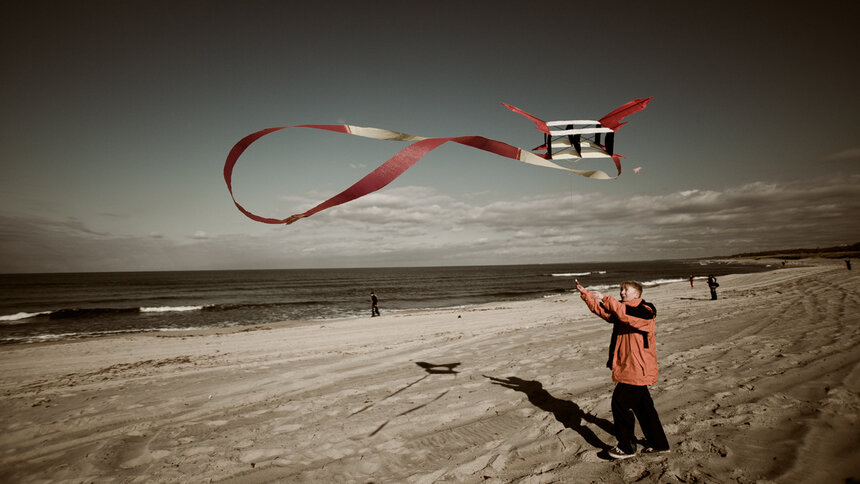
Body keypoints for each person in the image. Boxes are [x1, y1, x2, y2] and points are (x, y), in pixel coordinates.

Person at [575, 279, 669, 459]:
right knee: (644, 408)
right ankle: (659, 444)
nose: (622, 292)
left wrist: (605, 297)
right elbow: (605, 312)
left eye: (626, 290)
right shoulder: (622, 309)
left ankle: (626, 447)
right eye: (621, 290)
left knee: (620, 403)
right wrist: (586, 295)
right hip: (628, 367)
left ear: (637, 294)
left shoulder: (646, 310)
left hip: (638, 368)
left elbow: (626, 314)